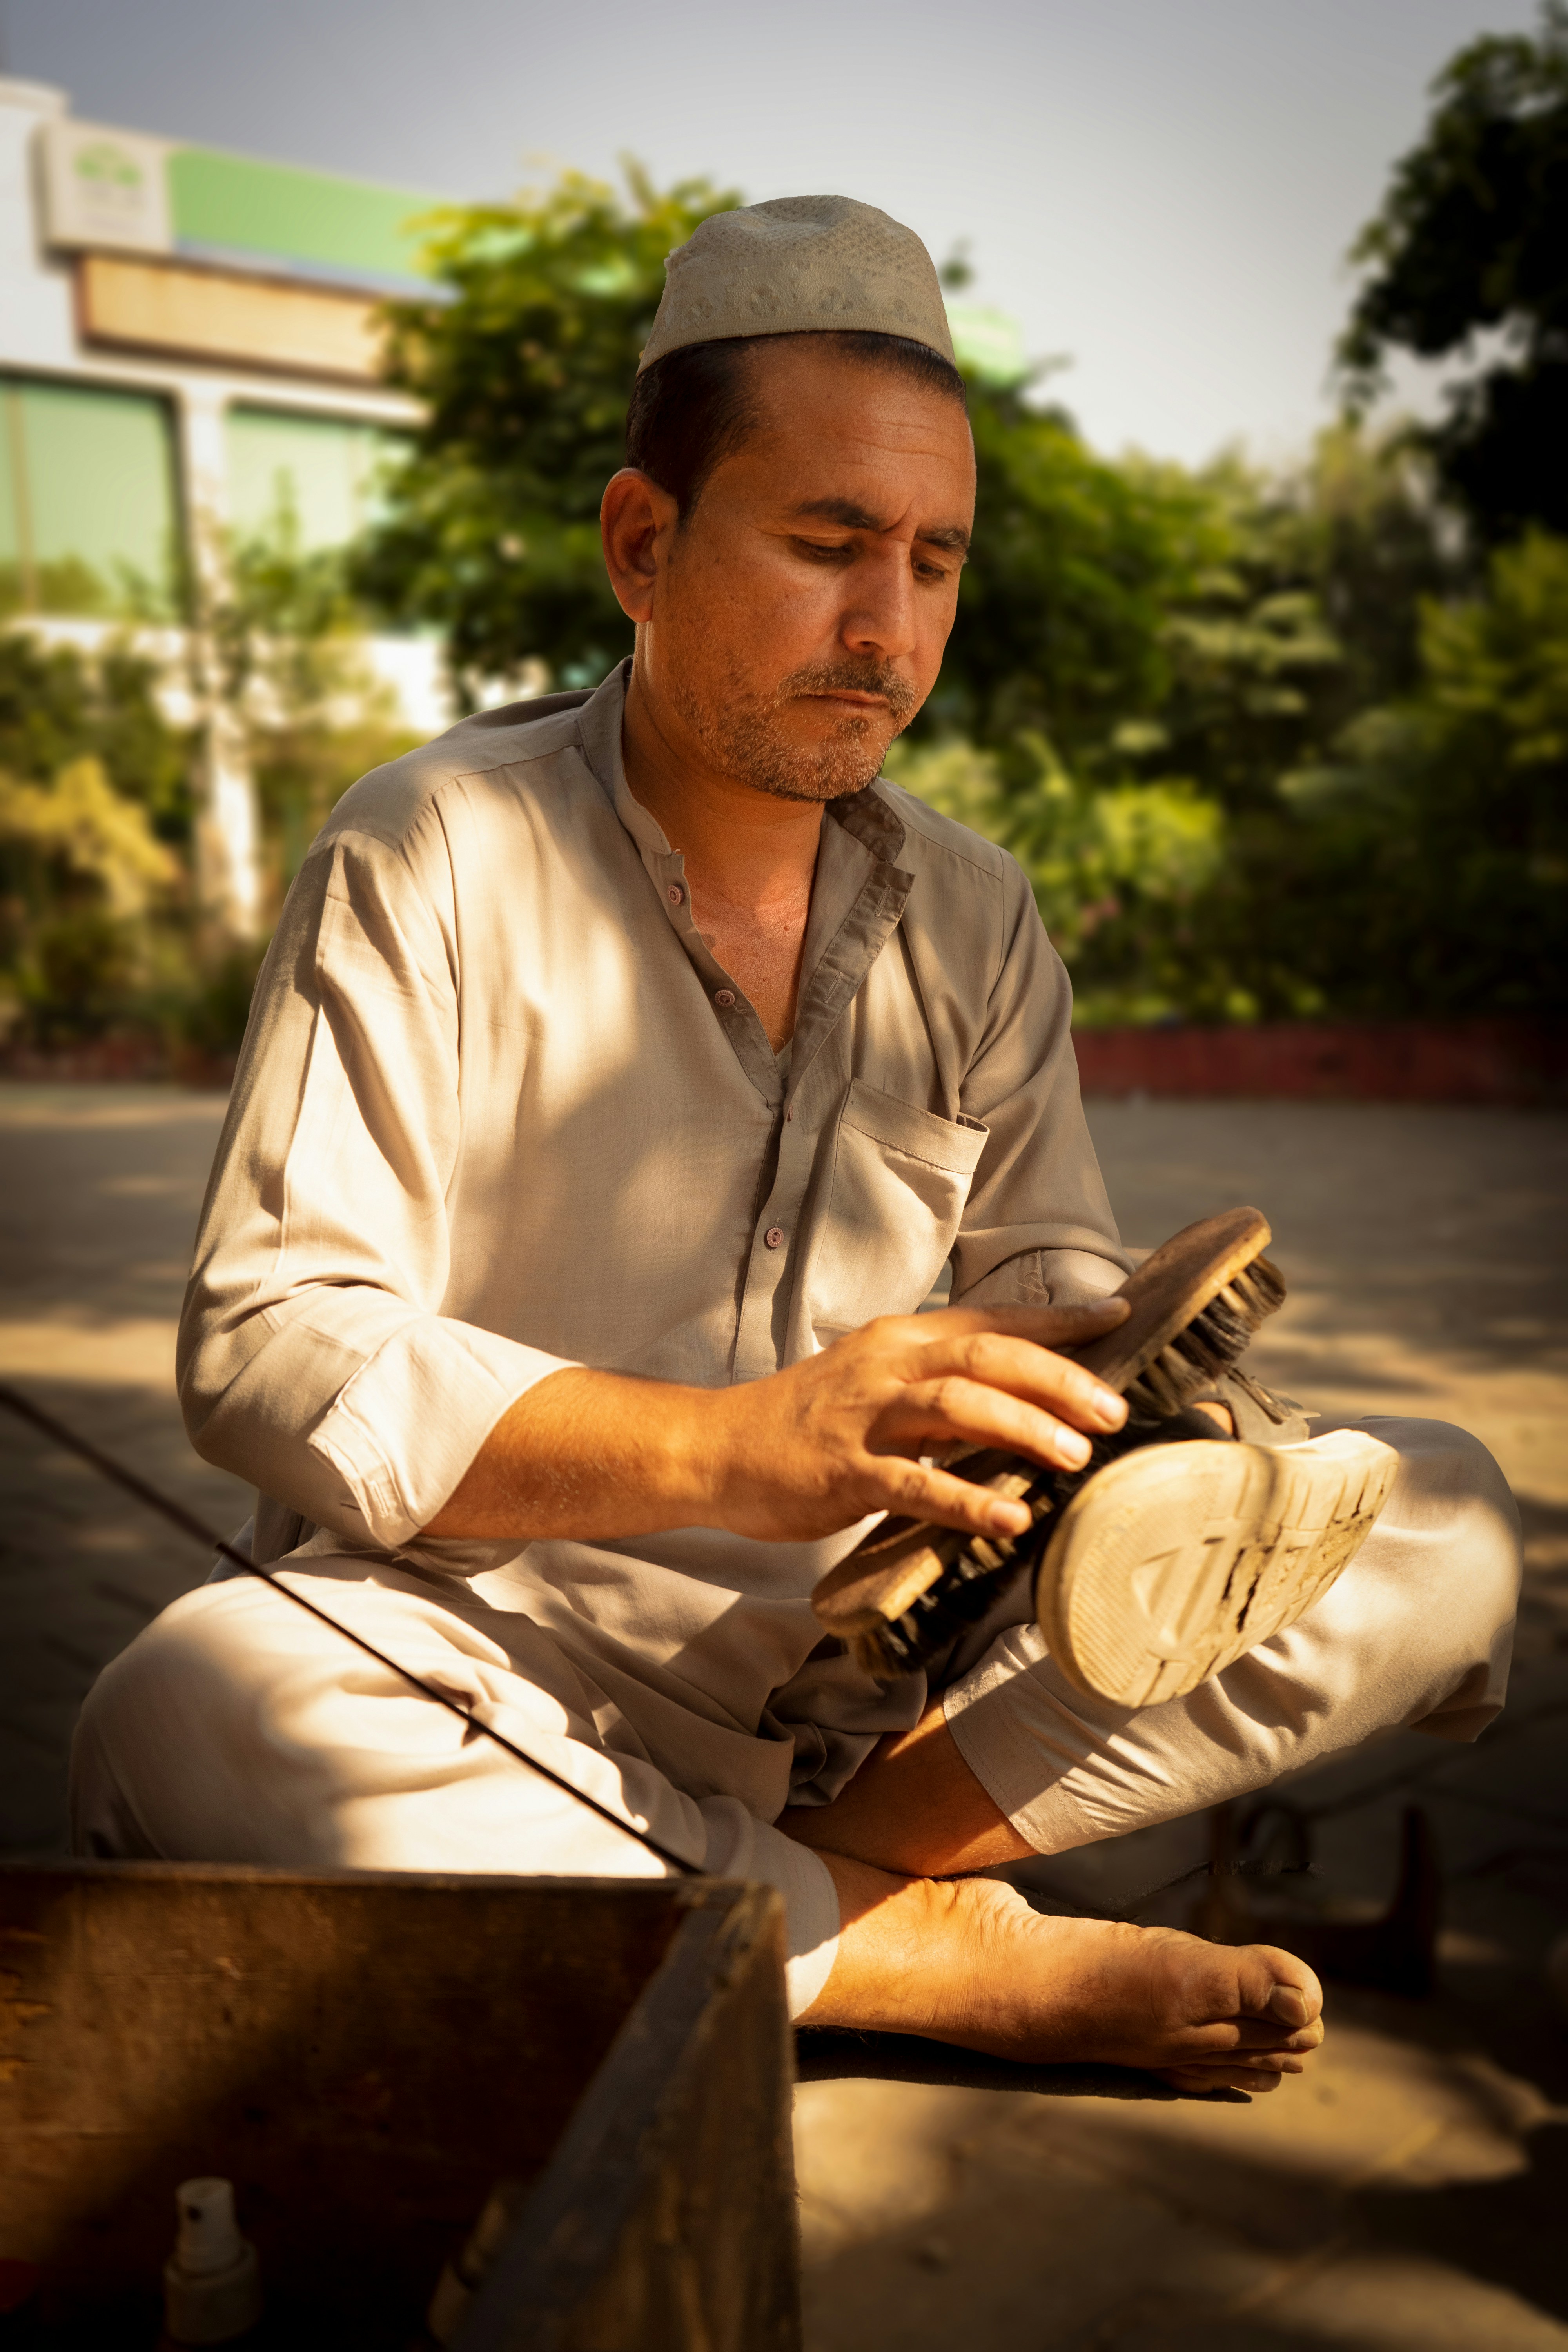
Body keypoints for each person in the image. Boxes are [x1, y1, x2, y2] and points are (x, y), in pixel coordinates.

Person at [71, 198, 1521, 2094]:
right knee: (195, 1703)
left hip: (879, 1701)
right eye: (828, 544)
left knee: (1445, 1518)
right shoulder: (428, 848)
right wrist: (730, 1450)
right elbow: (269, 1349)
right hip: (488, 1665)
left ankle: (787, 1903)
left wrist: (1111, 1388)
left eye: (932, 562)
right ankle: (908, 1955)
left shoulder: (977, 916)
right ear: (642, 543)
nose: (886, 626)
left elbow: (1043, 1269)